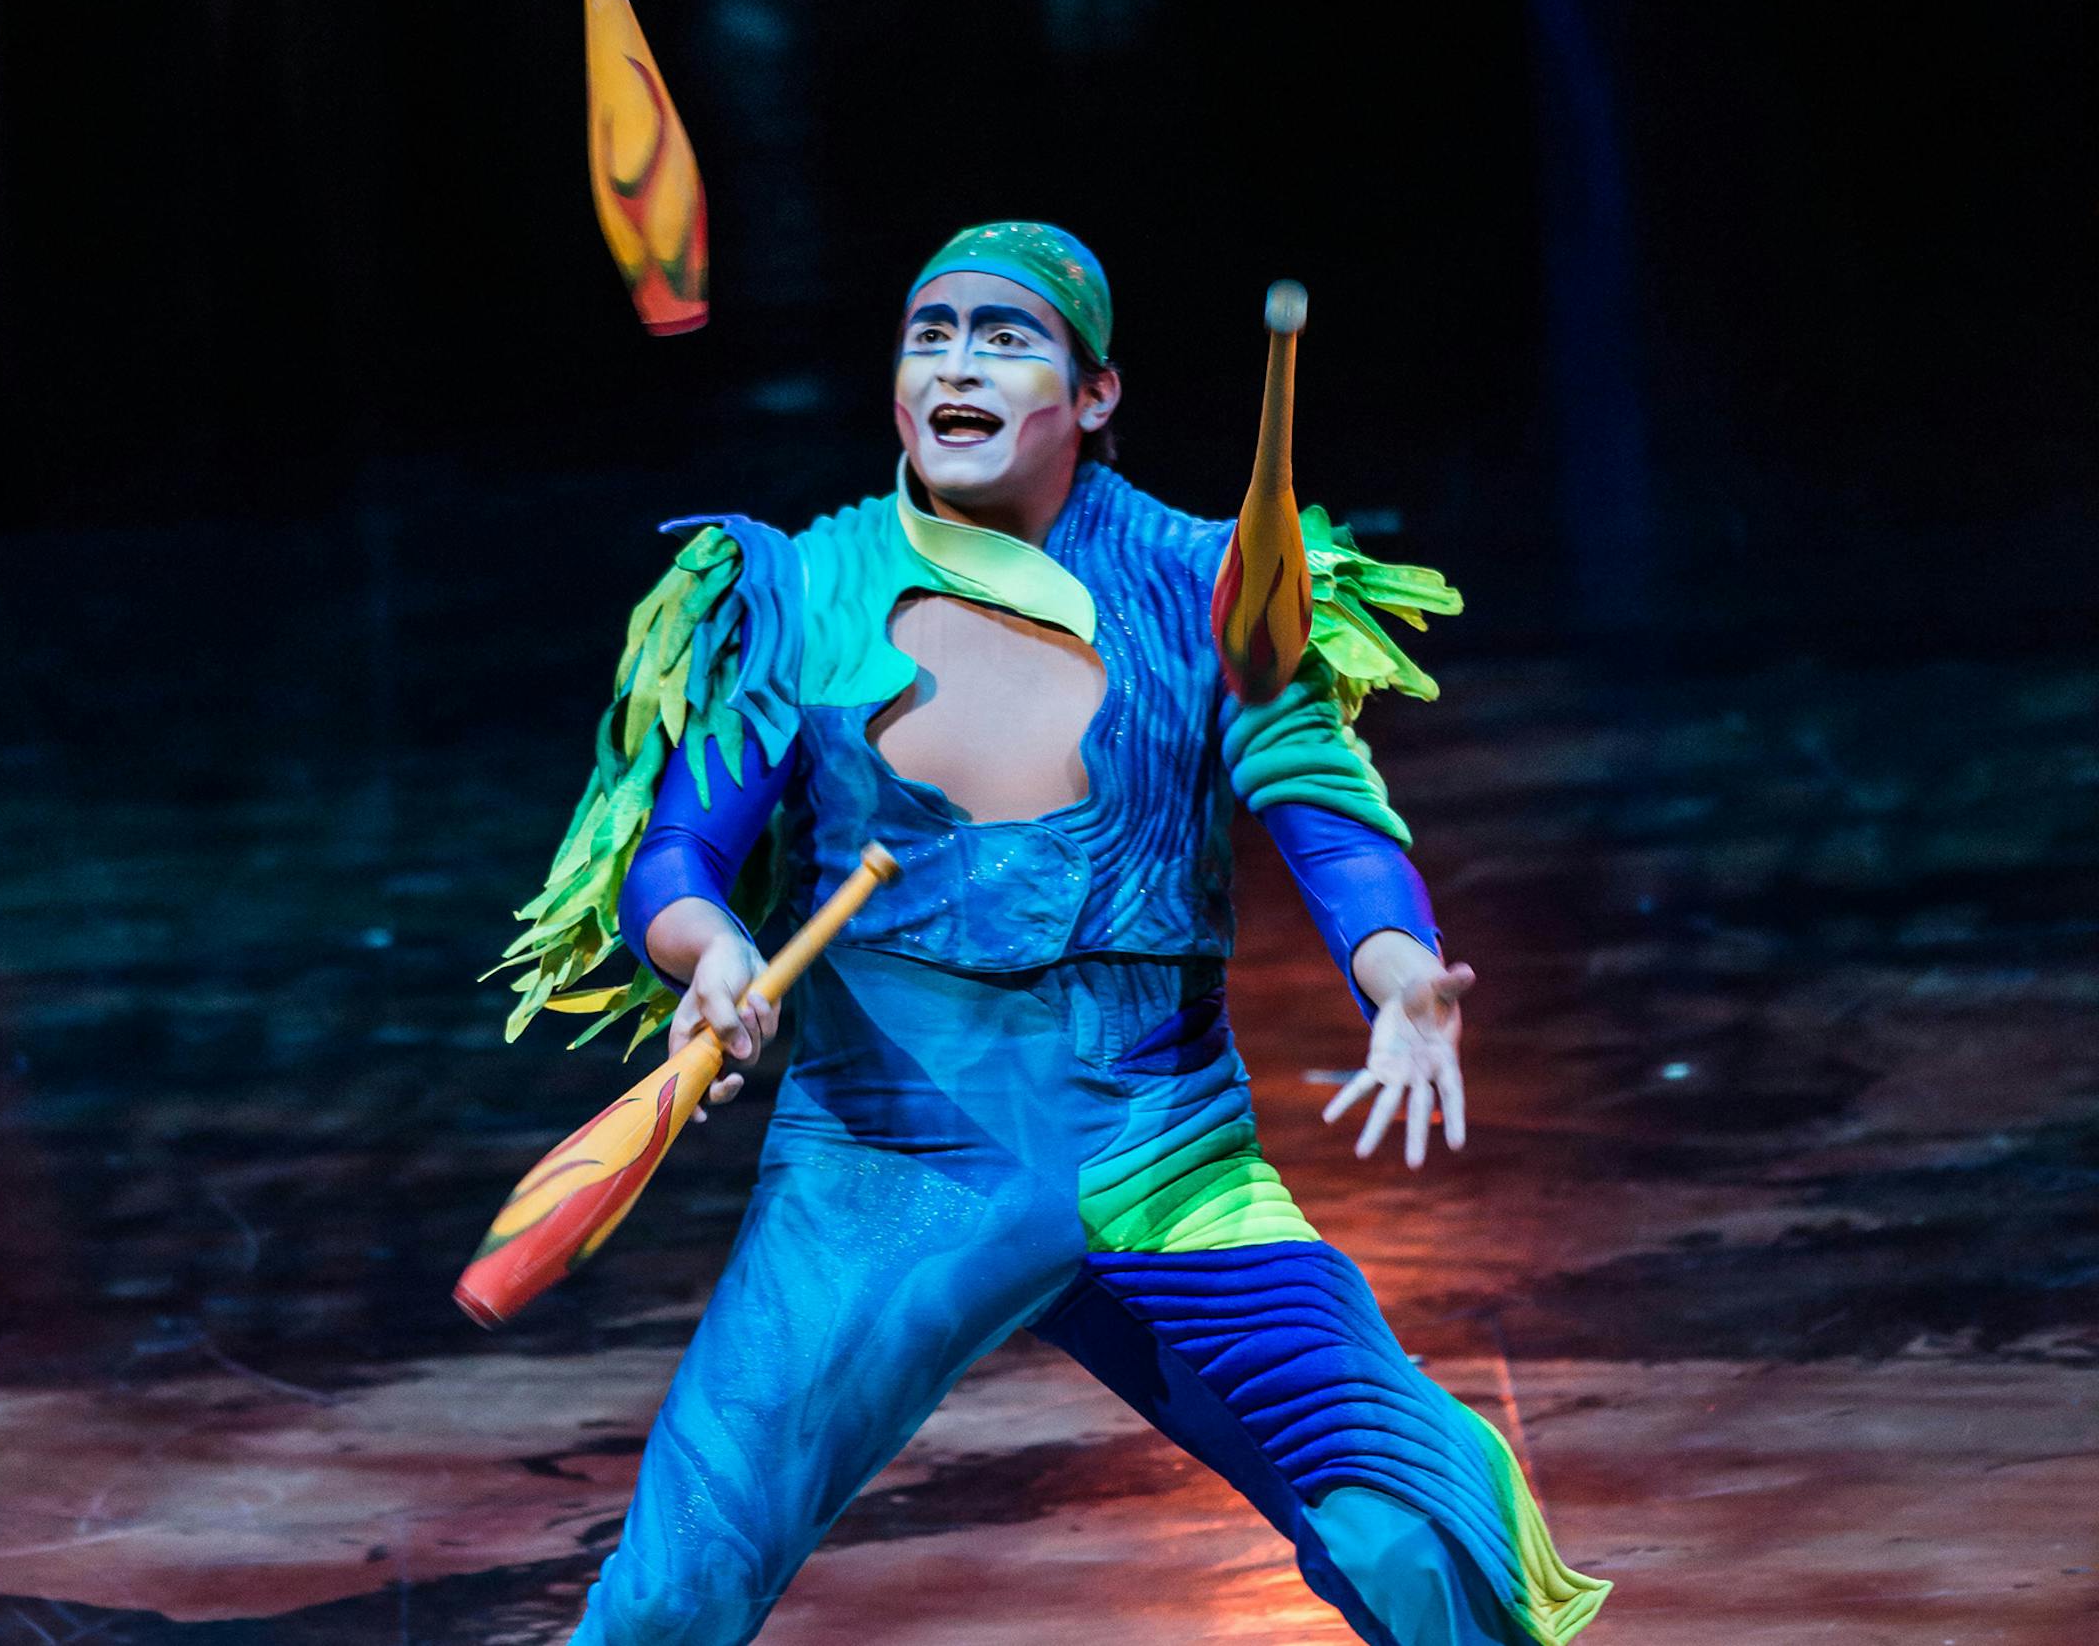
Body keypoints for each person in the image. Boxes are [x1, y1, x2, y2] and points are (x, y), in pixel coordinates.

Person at [503, 222, 1611, 1645]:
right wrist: (709, 950)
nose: (957, 363)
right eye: (931, 334)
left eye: (1005, 337)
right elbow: (679, 855)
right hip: (882, 1160)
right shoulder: (800, 590)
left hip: (1161, 1152)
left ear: (1093, 395)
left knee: (1408, 1533)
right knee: (668, 1596)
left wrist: (1398, 971)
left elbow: (1327, 814)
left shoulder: (1209, 586)